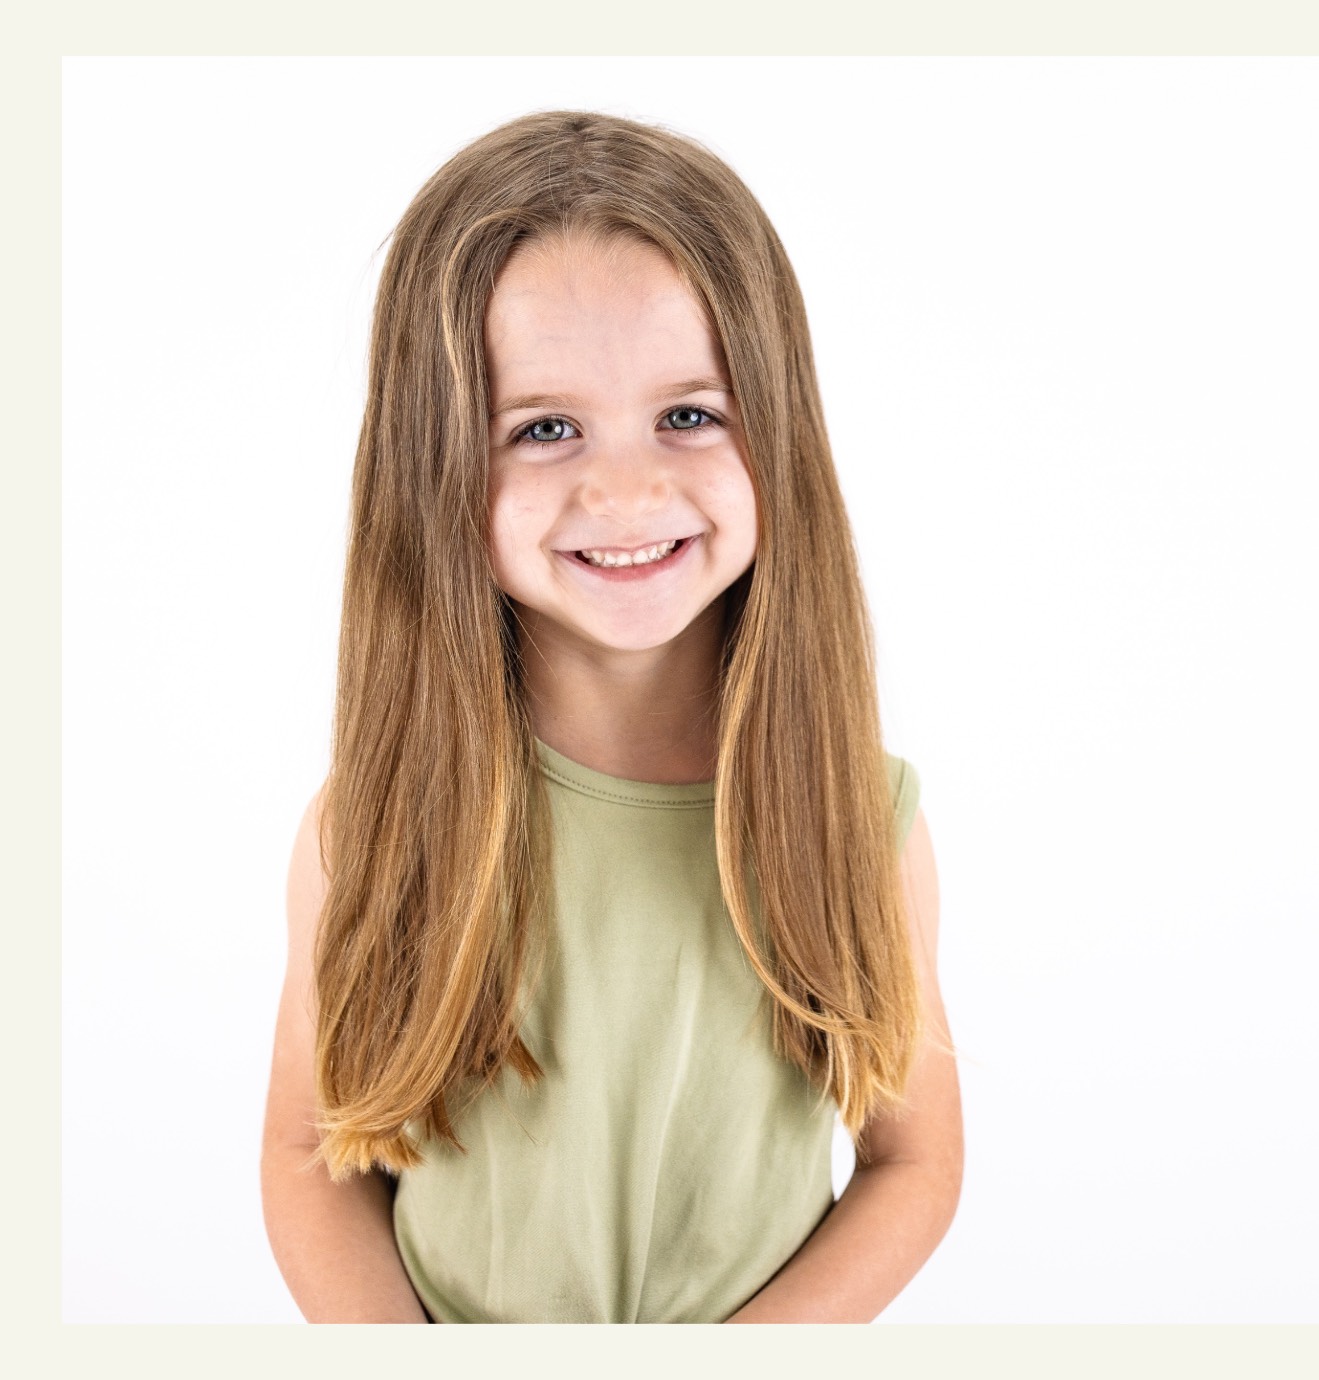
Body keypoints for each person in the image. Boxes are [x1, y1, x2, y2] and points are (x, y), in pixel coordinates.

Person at [258, 109, 962, 1324]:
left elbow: (914, 1162)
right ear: (437, 468)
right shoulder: (374, 827)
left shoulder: (857, 812)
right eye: (544, 428)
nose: (627, 490)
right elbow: (308, 1161)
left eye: (690, 414)